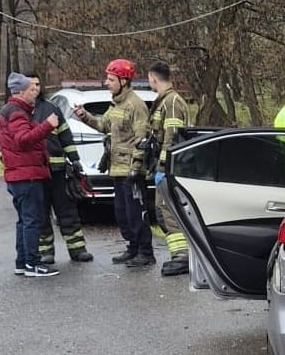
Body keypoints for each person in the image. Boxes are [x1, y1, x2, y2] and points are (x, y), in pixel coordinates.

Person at [72, 58, 154, 267]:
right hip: (117, 169)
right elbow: (102, 125)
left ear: (123, 81)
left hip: (131, 171)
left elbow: (142, 139)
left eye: (110, 79)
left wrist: (136, 169)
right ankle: (132, 248)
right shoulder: (116, 105)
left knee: (136, 213)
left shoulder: (135, 105)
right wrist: (84, 116)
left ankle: (145, 252)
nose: (106, 83)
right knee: (122, 213)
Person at [0, 71, 59, 277]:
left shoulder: (10, 111)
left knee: (24, 220)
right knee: (32, 220)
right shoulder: (17, 113)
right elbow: (23, 139)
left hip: (18, 175)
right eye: (32, 89)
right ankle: (32, 263)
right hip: (26, 175)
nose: (36, 92)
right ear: (21, 92)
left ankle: (22, 262)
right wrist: (47, 126)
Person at [27, 71, 94, 265]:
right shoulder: (19, 111)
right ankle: (45, 251)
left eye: (38, 84)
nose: (35, 89)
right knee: (40, 213)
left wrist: (75, 160)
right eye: (31, 85)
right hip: (35, 174)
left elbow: (66, 137)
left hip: (57, 172)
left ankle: (77, 249)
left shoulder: (51, 109)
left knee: (67, 211)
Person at [145, 61, 192, 276]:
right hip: (166, 167)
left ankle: (182, 257)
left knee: (168, 211)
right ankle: (179, 255)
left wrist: (164, 167)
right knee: (163, 212)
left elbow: (171, 137)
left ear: (153, 78)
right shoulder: (165, 101)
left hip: (170, 168)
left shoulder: (171, 102)